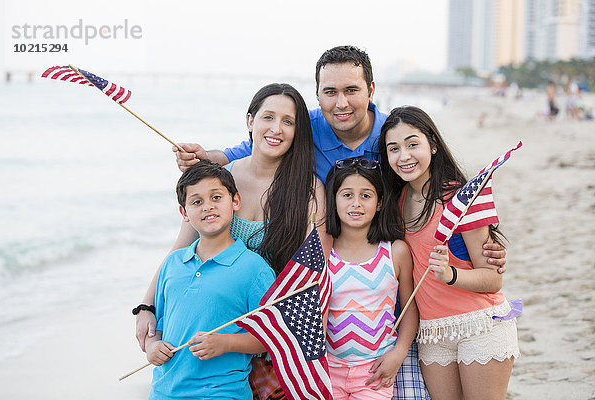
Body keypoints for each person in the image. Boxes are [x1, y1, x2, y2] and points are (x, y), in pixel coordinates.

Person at [168, 45, 507, 400]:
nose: (340, 103)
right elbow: (259, 144)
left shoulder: (392, 135)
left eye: (351, 90)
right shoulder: (307, 127)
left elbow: (439, 192)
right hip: (335, 288)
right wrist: (208, 157)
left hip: (396, 289)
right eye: (330, 92)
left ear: (371, 91)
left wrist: (479, 252)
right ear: (318, 95)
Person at [137, 83, 328, 399]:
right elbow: (180, 251)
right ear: (251, 122)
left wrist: (300, 344)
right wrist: (146, 306)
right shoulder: (219, 180)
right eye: (268, 117)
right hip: (212, 331)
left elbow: (313, 277)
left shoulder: (307, 191)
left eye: (288, 121)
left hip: (267, 337)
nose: (276, 129)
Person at [378, 106, 520, 400]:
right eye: (394, 149)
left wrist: (450, 275)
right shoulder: (397, 201)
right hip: (433, 334)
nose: (404, 156)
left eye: (412, 144)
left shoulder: (459, 200)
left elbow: (493, 279)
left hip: (479, 325)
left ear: (432, 143)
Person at [145, 160, 276, 399]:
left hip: (222, 392)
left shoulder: (254, 269)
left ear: (235, 201)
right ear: (184, 213)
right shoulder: (173, 264)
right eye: (197, 202)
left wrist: (225, 343)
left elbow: (269, 339)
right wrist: (152, 347)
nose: (208, 207)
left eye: (216, 198)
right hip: (164, 391)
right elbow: (160, 325)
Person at [324, 157, 418, 400]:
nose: (356, 203)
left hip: (375, 370)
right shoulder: (324, 252)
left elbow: (409, 308)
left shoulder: (395, 252)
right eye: (346, 195)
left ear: (379, 203)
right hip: (328, 369)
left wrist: (399, 352)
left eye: (366, 195)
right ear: (333, 200)